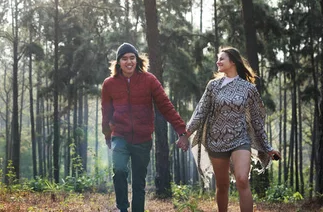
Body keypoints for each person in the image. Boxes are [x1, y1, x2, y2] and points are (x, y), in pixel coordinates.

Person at [178, 46, 281, 212]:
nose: (218, 61)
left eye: (221, 58)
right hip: (216, 141)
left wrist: (267, 147)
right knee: (222, 184)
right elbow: (200, 111)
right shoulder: (213, 86)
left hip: (240, 139)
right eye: (218, 59)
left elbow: (256, 120)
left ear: (233, 61)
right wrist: (185, 134)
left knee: (242, 179)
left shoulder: (248, 88)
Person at [101, 42, 190, 212]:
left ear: (137, 60)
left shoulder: (149, 80)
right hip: (119, 136)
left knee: (138, 183)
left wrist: (181, 131)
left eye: (132, 58)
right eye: (125, 58)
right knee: (119, 170)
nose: (129, 62)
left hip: (143, 139)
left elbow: (165, 106)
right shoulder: (109, 84)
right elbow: (106, 112)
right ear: (118, 62)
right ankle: (122, 208)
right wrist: (107, 136)